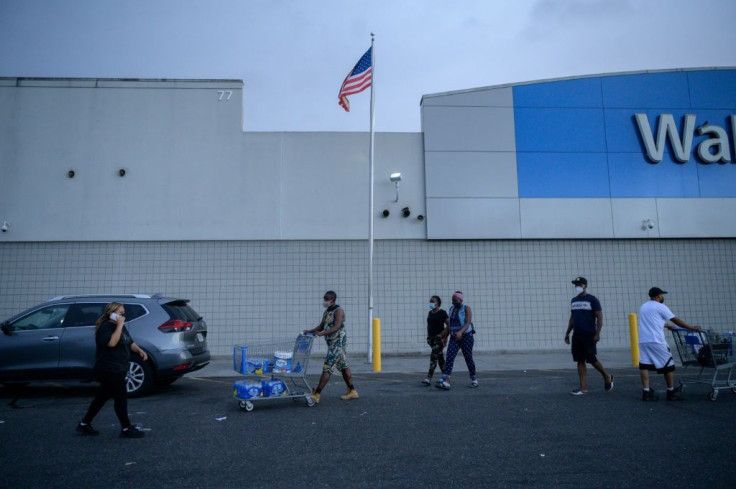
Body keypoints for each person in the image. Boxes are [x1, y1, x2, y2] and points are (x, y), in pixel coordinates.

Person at [76, 302, 148, 438]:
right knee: (120, 397)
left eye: (123, 313)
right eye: (120, 313)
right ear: (111, 313)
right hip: (109, 368)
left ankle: (84, 423)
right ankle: (126, 428)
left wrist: (139, 350)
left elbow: (129, 342)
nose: (123, 316)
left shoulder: (121, 327)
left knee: (102, 397)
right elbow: (112, 342)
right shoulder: (105, 327)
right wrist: (120, 325)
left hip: (119, 367)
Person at [638, 287, 701, 401]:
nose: (663, 297)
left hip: (643, 340)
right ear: (657, 296)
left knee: (644, 365)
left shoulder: (643, 307)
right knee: (669, 366)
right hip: (657, 341)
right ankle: (670, 391)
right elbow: (675, 319)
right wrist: (691, 327)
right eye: (662, 295)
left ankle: (646, 391)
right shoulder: (661, 306)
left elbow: (651, 322)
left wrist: (666, 325)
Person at [303, 291, 358, 403]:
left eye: (326, 299)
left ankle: (317, 393)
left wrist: (322, 333)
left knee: (327, 368)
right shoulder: (327, 312)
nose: (324, 301)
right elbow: (321, 326)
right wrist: (311, 331)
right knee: (343, 366)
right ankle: (352, 391)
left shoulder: (339, 311)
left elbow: (337, 326)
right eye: (324, 298)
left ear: (333, 300)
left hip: (337, 344)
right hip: (332, 344)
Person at [565, 277, 614, 395]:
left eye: (579, 284)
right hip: (577, 335)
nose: (577, 286)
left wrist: (597, 333)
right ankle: (582, 388)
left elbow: (599, 317)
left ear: (585, 286)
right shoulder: (574, 300)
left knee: (591, 359)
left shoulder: (592, 300)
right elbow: (572, 318)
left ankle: (607, 376)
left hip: (589, 334)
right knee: (580, 360)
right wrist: (567, 333)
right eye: (575, 284)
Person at [436, 291, 477, 390]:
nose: (454, 302)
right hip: (454, 337)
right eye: (453, 300)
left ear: (461, 300)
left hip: (466, 337)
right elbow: (450, 325)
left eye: (456, 300)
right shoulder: (451, 309)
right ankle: (446, 380)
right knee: (450, 356)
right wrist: (444, 336)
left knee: (468, 357)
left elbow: (467, 323)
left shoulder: (466, 308)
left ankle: (474, 379)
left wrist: (461, 332)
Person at [422, 295, 448, 385]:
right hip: (431, 339)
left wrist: (442, 336)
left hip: (439, 339)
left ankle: (429, 377)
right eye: (430, 301)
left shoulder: (442, 313)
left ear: (438, 303)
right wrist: (429, 337)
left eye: (433, 301)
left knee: (433, 356)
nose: (431, 303)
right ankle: (446, 376)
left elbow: (449, 326)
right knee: (440, 358)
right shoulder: (430, 313)